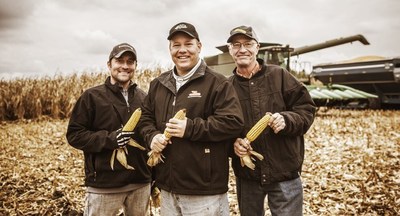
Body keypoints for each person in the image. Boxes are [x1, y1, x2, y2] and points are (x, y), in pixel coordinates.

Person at [138, 22, 244, 216]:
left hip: (203, 191)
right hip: (168, 188)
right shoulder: (158, 84)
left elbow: (233, 123)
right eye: (176, 45)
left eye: (188, 44)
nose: (182, 50)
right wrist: (152, 137)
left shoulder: (218, 83)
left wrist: (190, 128)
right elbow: (145, 119)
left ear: (199, 47)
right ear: (170, 49)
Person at [227, 25, 316, 216]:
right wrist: (232, 144)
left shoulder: (280, 76)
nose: (242, 49)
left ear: (257, 47)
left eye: (248, 44)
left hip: (284, 172)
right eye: (236, 45)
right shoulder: (226, 87)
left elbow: (306, 110)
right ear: (230, 50)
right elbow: (221, 127)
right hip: (248, 176)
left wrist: (287, 120)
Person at [66, 43, 152, 216]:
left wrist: (153, 178)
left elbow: (149, 134)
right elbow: (75, 135)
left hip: (140, 183)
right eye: (120, 61)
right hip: (104, 185)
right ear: (109, 64)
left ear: (135, 66)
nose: (125, 66)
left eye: (130, 61)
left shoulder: (144, 98)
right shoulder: (92, 97)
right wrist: (110, 140)